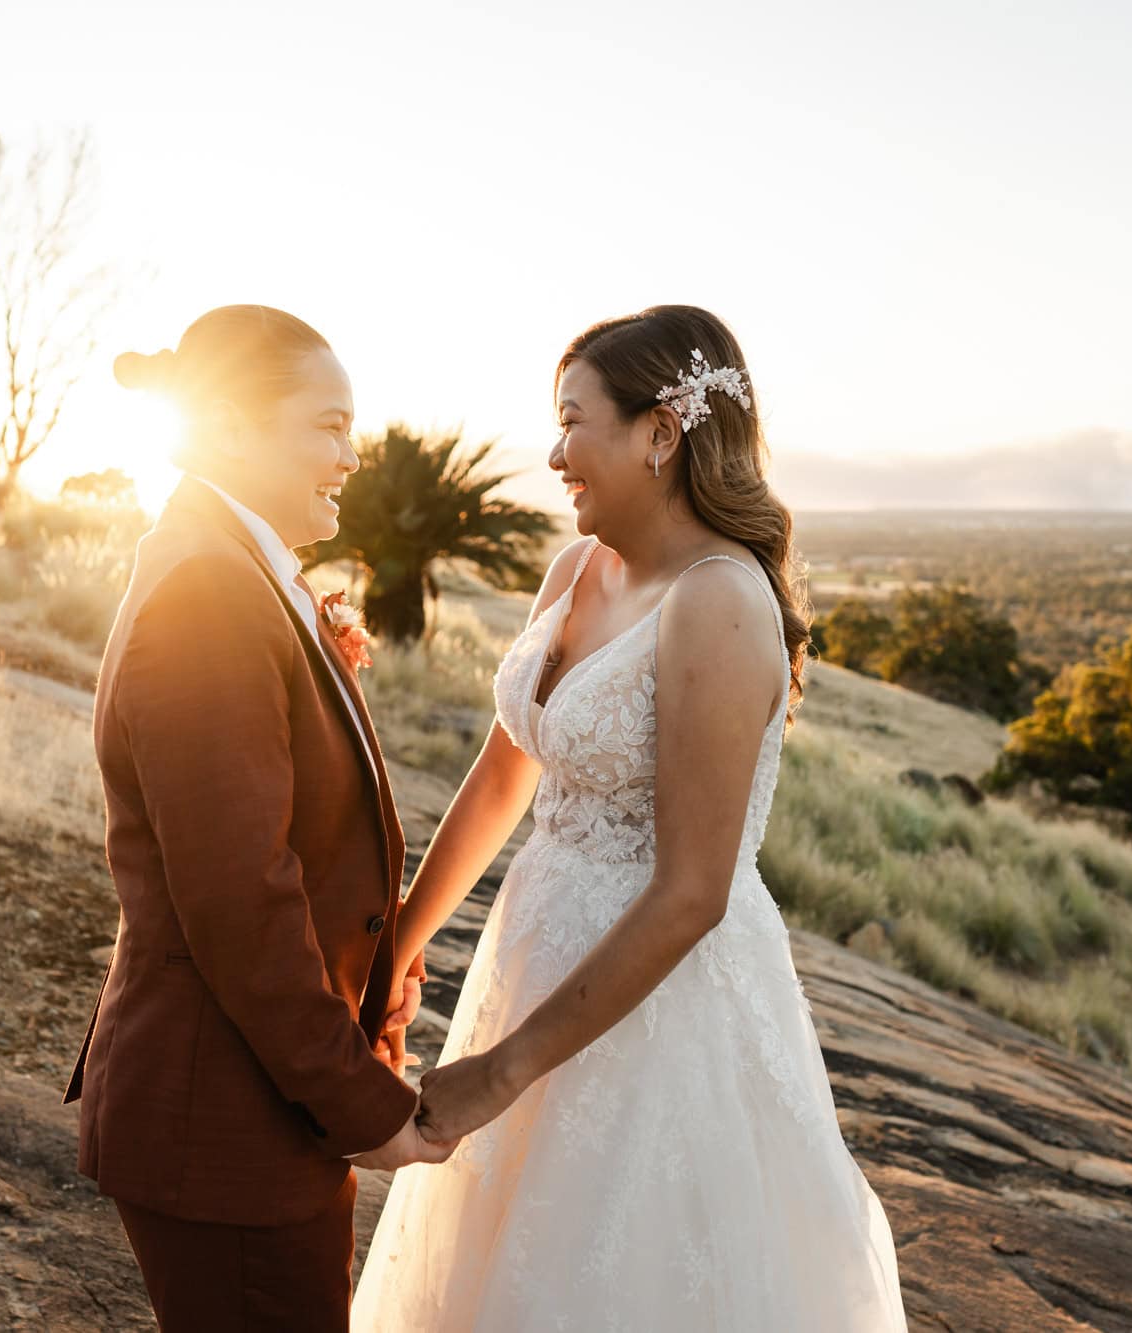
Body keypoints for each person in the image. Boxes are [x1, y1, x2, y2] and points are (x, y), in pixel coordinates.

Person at [352, 306, 908, 1330]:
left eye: (573, 422)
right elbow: (499, 780)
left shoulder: (717, 601)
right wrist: (394, 944)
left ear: (660, 434)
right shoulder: (573, 570)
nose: (554, 452)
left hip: (653, 1004)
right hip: (530, 950)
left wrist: (499, 1072)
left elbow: (693, 892)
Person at [63, 304, 451, 1333]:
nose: (353, 454)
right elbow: (238, 896)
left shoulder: (235, 569)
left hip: (257, 1104)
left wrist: (370, 973)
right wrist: (360, 1108)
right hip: (222, 1121)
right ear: (231, 425)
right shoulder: (209, 591)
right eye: (327, 426)